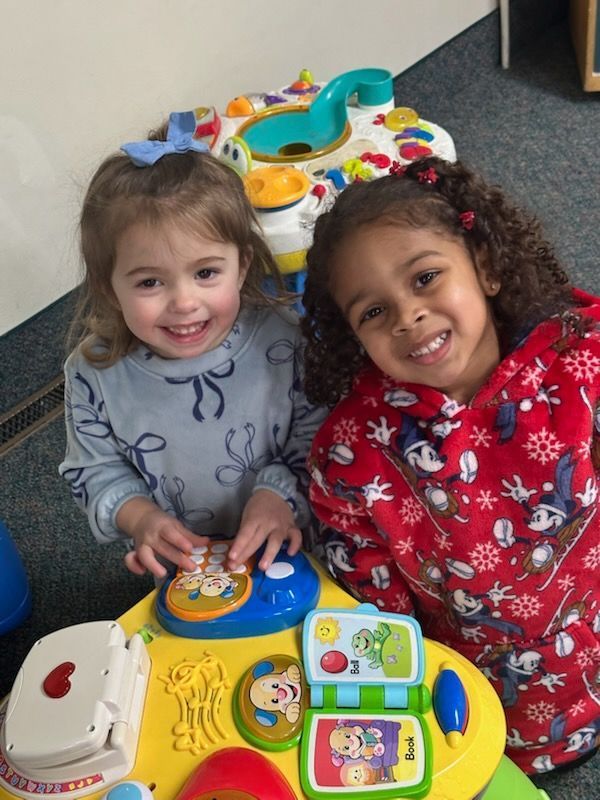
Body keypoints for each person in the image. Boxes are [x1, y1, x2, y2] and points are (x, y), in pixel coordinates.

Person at [301, 155, 600, 775]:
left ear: (485, 267)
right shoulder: (350, 456)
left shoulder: (584, 370)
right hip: (472, 714)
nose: (407, 315)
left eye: (425, 277)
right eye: (373, 312)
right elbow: (375, 603)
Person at [59, 110, 324, 581]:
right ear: (107, 287)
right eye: (149, 282)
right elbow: (93, 472)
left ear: (242, 266)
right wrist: (140, 518)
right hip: (183, 567)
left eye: (206, 273)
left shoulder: (286, 340)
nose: (184, 302)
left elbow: (320, 439)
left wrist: (276, 495)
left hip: (292, 547)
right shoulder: (93, 373)